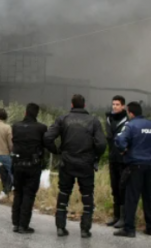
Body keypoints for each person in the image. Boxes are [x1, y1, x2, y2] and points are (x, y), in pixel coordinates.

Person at [44, 94, 107, 238]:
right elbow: (102, 144)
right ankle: (85, 230)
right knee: (87, 195)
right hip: (86, 164)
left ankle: (60, 227)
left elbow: (48, 137)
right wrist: (95, 156)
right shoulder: (93, 121)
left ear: (72, 105)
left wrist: (57, 151)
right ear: (84, 105)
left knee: (64, 193)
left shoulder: (63, 119)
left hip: (67, 163)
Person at [114, 101, 151, 238]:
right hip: (149, 165)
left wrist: (125, 151)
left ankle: (129, 229)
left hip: (135, 165)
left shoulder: (131, 125)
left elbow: (121, 141)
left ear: (130, 112)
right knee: (149, 197)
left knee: (131, 197)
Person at [11, 103, 48, 235]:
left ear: (25, 112)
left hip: (17, 165)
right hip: (33, 166)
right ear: (36, 114)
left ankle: (15, 223)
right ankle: (23, 225)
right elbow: (47, 144)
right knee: (29, 194)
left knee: (18, 193)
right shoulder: (41, 128)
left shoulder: (15, 126)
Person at [105, 95, 128, 228]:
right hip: (112, 158)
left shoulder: (127, 120)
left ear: (123, 106)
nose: (114, 106)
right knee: (114, 188)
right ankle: (116, 216)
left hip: (123, 159)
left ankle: (123, 218)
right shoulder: (108, 119)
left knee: (122, 187)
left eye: (117, 104)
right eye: (113, 104)